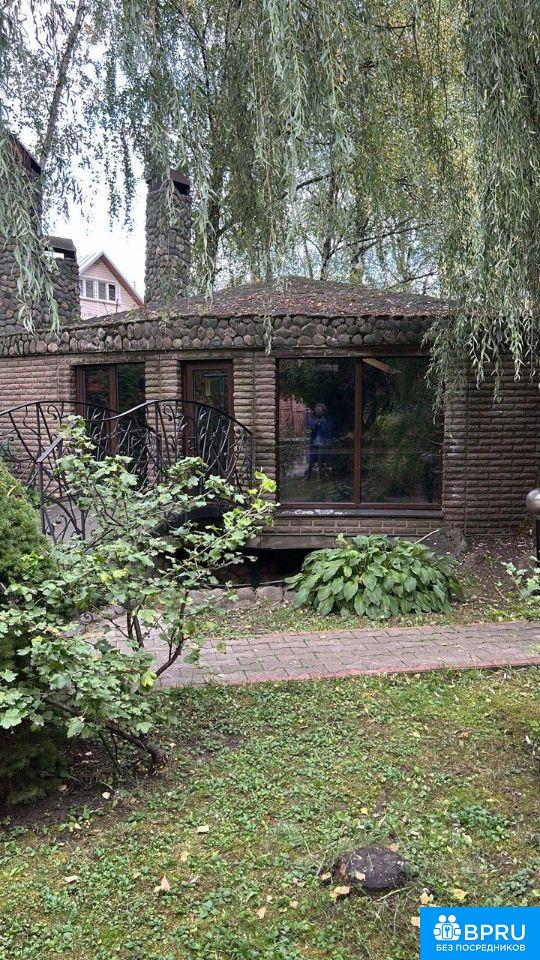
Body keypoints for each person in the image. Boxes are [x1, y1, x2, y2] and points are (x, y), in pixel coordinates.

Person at [305, 403, 336, 480]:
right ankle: (308, 477)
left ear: (324, 411)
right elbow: (309, 428)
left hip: (323, 444)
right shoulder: (313, 420)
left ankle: (321, 477)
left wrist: (324, 422)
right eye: (317, 410)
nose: (318, 412)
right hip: (314, 444)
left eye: (320, 410)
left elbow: (331, 429)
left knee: (320, 461)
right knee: (311, 461)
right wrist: (316, 424)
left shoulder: (327, 420)